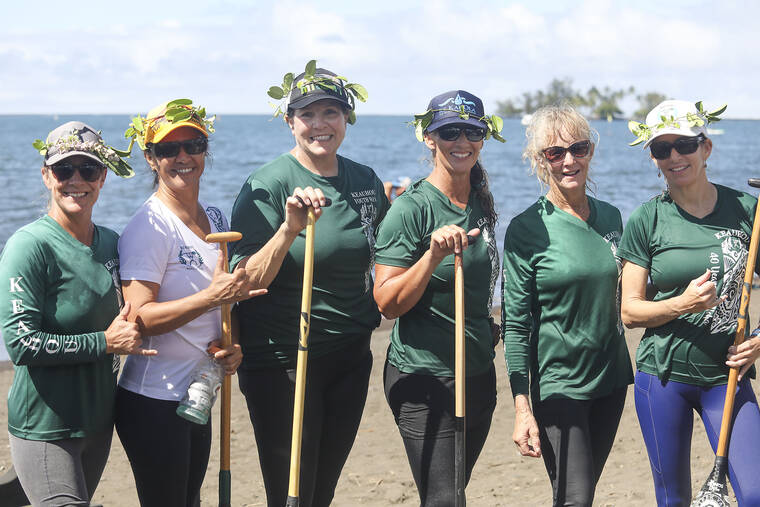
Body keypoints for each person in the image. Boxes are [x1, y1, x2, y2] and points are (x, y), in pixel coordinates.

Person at [229, 64, 389, 507]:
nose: (320, 124)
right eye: (307, 114)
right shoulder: (267, 184)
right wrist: (289, 229)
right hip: (285, 360)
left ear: (346, 118)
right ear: (290, 122)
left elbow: (388, 253)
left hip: (350, 355)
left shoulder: (365, 181)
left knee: (322, 492)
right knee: (292, 494)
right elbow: (244, 283)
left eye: (330, 112)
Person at [115, 100, 265, 507]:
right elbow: (140, 319)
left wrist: (232, 346)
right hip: (154, 400)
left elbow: (223, 306)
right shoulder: (149, 226)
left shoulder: (215, 217)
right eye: (168, 149)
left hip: (197, 394)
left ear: (205, 151)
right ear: (151, 159)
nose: (183, 157)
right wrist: (210, 297)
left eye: (193, 145)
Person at [0, 121, 149, 505]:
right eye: (64, 169)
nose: (76, 180)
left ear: (103, 177)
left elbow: (144, 309)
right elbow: (20, 344)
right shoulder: (28, 247)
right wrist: (103, 342)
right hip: (45, 428)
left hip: (97, 425)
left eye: (88, 169)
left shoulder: (112, 243)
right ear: (46, 176)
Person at [619, 99, 760, 506]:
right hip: (663, 378)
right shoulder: (646, 219)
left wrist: (759, 340)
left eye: (684, 145)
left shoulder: (747, 210)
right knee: (673, 499)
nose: (674, 157)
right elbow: (630, 311)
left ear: (706, 147)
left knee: (754, 493)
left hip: (727, 377)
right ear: (653, 157)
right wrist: (683, 304)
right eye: (662, 149)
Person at [373, 90, 503, 506]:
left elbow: (480, 284)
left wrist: (489, 326)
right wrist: (431, 257)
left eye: (472, 132)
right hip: (424, 378)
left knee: (454, 492)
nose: (462, 141)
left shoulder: (480, 201)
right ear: (429, 138)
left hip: (478, 373)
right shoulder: (410, 210)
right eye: (450, 132)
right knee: (445, 499)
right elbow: (386, 302)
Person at [501, 104, 633, 506]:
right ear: (540, 160)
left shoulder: (611, 217)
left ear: (591, 151)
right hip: (559, 384)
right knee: (575, 497)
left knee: (581, 494)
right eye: (555, 153)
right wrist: (522, 406)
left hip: (610, 380)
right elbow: (515, 324)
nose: (569, 161)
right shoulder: (526, 229)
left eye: (578, 148)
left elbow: (628, 291)